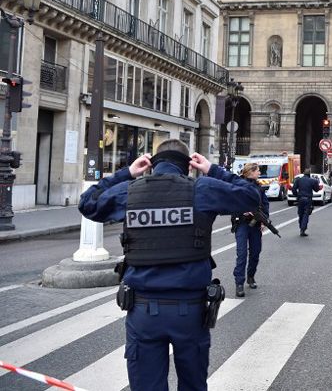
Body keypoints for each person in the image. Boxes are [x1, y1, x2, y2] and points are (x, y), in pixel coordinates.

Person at [78, 139, 261, 391]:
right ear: (188, 167)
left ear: (151, 166)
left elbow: (87, 202)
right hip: (191, 312)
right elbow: (252, 196)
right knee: (193, 385)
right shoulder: (202, 188)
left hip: (143, 311)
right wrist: (213, 170)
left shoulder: (130, 190)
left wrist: (127, 172)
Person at [231, 163, 269, 298]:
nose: (259, 172)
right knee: (241, 254)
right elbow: (232, 203)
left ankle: (251, 276)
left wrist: (264, 220)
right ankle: (239, 283)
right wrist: (243, 212)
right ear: (251, 171)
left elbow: (265, 205)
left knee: (255, 253)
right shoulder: (238, 185)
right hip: (241, 223)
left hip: (256, 224)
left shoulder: (259, 187)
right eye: (258, 170)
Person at [292, 169, 321, 237]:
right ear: (309, 174)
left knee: (300, 214)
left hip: (300, 199)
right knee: (306, 214)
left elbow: (293, 189)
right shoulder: (312, 181)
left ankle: (301, 227)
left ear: (303, 174)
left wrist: (297, 195)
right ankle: (303, 229)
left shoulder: (298, 180)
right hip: (308, 200)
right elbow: (316, 190)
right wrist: (317, 185)